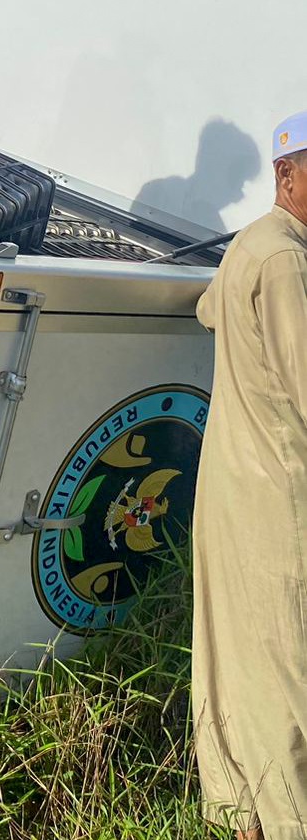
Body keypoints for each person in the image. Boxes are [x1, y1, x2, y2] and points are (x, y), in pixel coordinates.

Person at [193, 111, 307, 840]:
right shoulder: (289, 260)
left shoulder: (249, 247)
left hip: (229, 489)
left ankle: (240, 815)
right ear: (287, 173)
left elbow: (209, 311)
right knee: (285, 669)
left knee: (231, 656)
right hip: (280, 497)